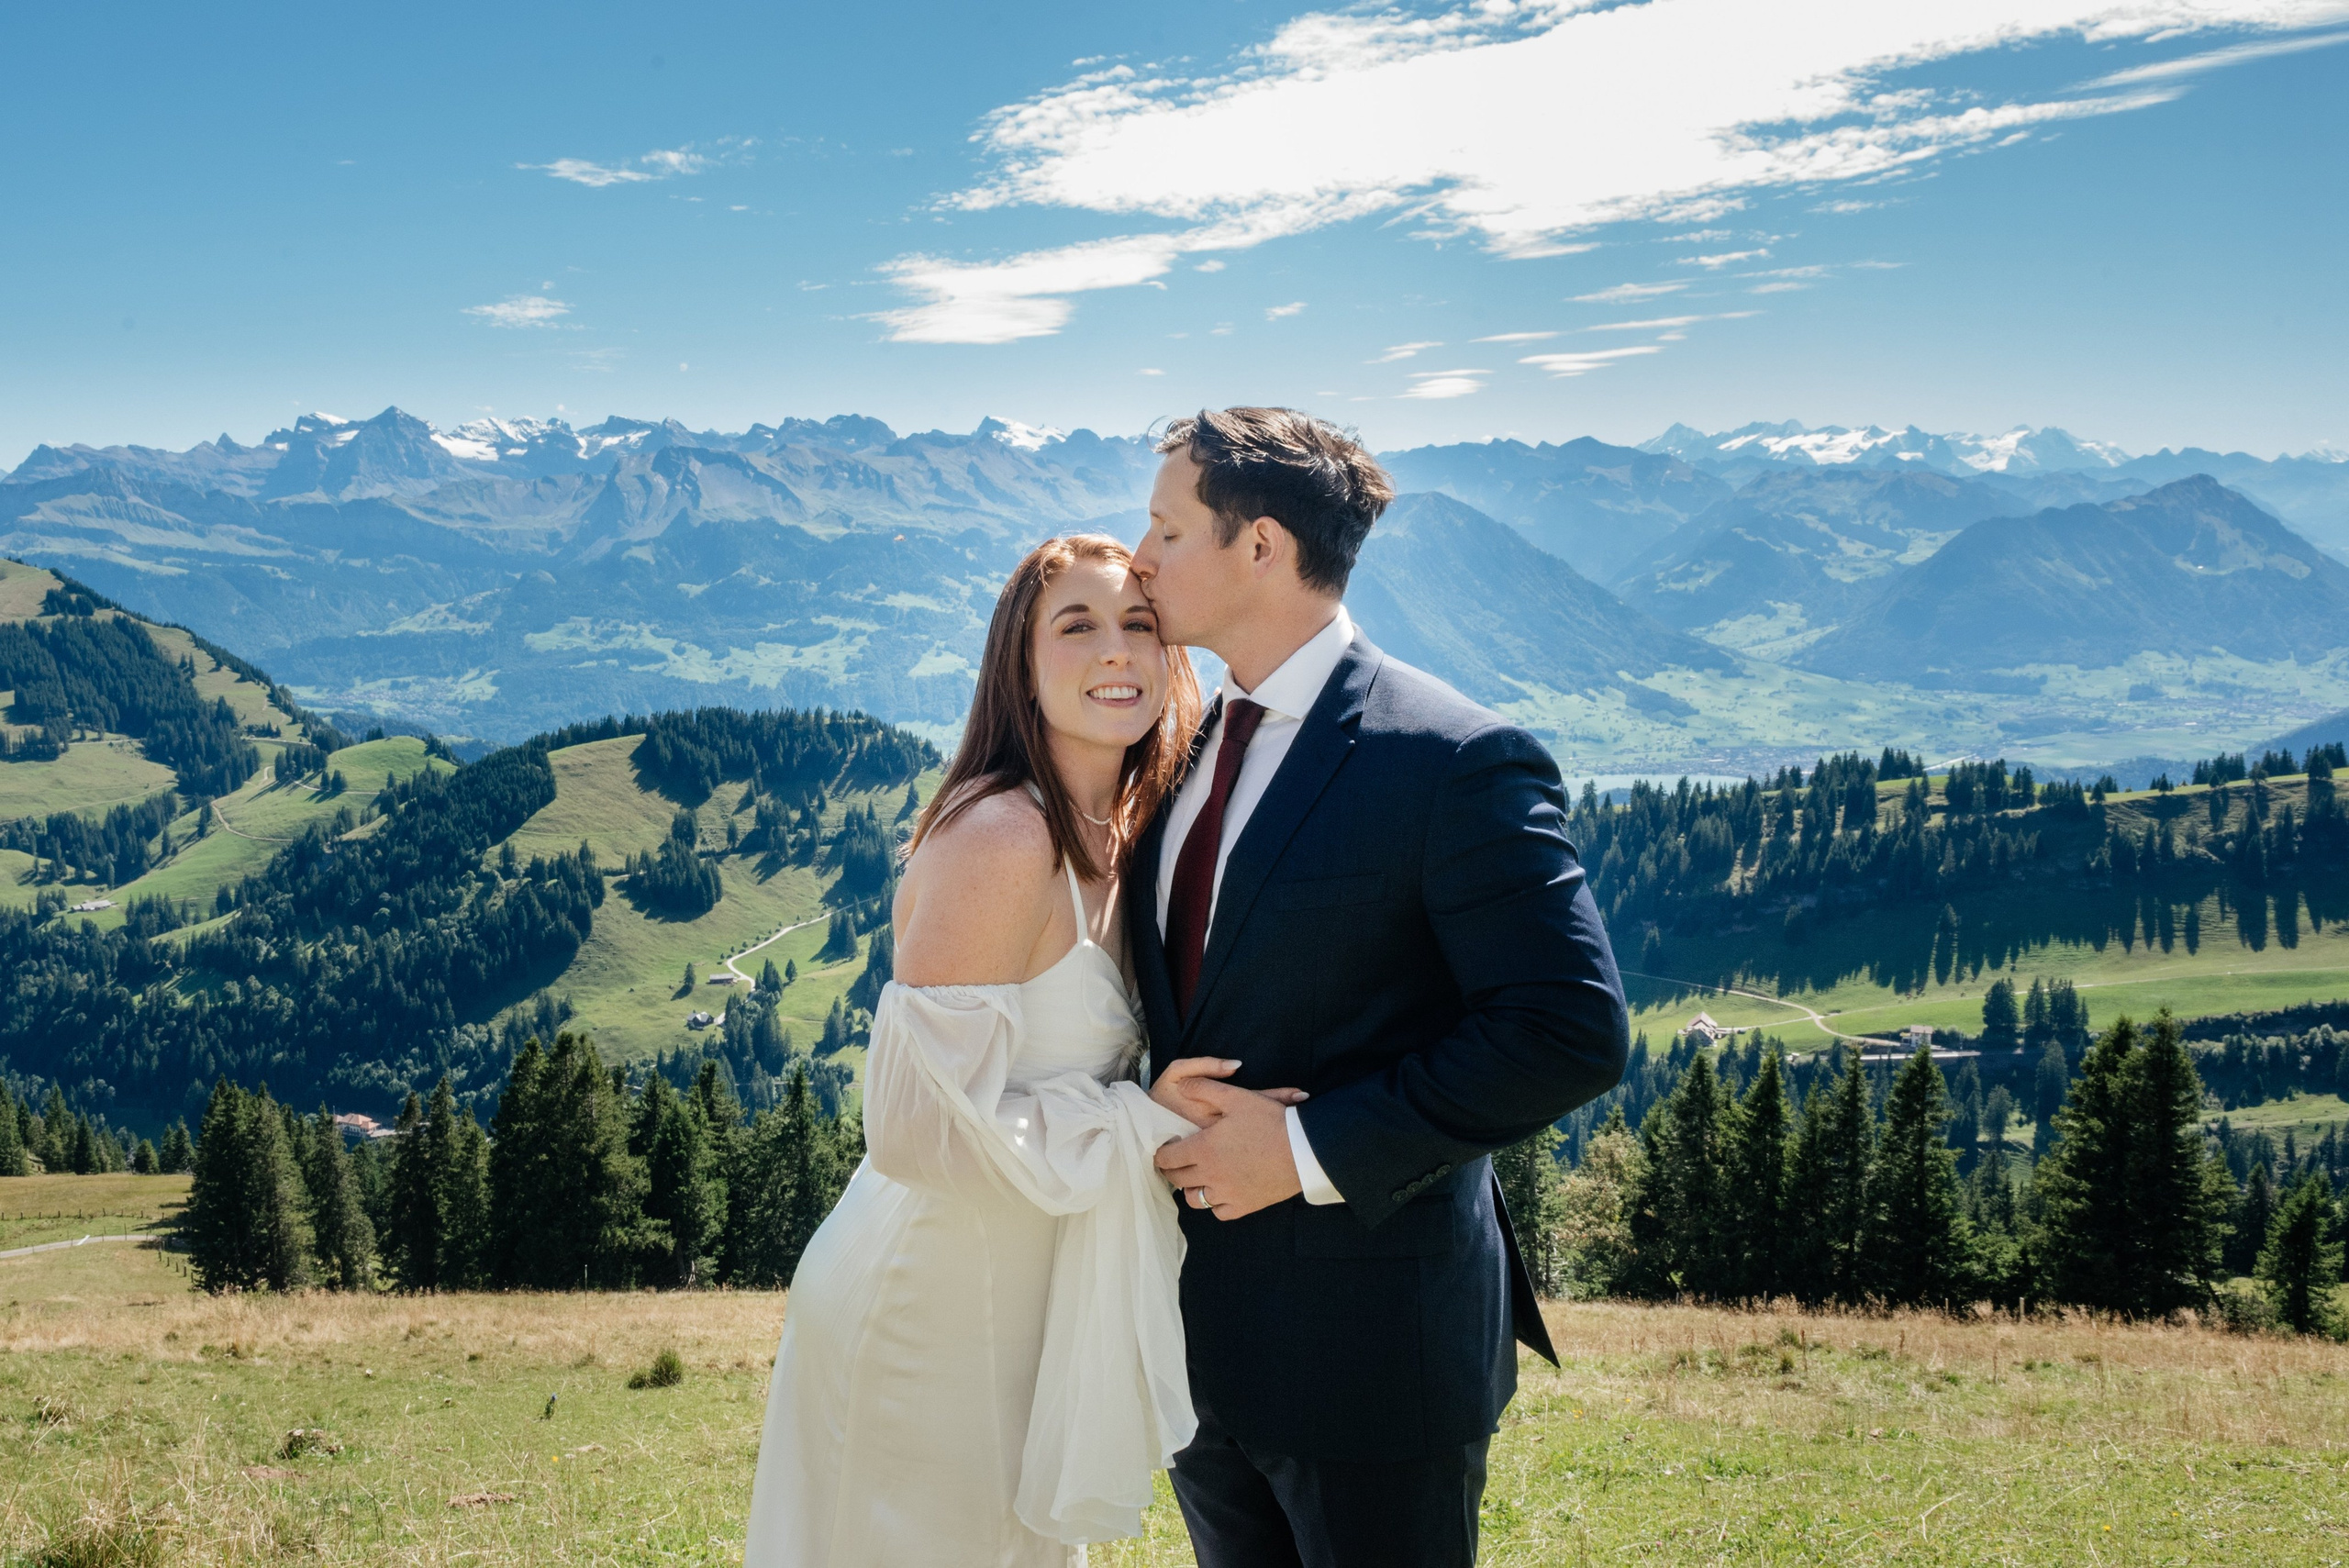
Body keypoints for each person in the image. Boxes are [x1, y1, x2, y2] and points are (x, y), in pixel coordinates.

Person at [743, 533, 1307, 1566]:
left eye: (1141, 624)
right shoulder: (1005, 837)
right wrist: (1142, 1118)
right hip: (932, 1293)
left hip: (1026, 1289)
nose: (1117, 652)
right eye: (1077, 624)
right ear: (1020, 659)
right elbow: (913, 1129)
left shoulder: (1125, 828)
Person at [1131, 407, 1630, 1568]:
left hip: (1375, 1355)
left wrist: (1307, 1152)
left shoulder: (1451, 758)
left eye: (1165, 528)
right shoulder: (1190, 744)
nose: (1141, 557)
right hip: (1199, 1352)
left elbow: (1567, 1027)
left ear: (1259, 545)